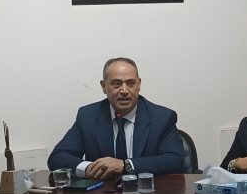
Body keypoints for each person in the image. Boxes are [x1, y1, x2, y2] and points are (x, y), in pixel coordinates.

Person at [48, 58, 184, 179]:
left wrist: (126, 165)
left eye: (131, 83)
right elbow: (57, 157)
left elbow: (175, 160)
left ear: (139, 84)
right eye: (116, 83)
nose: (124, 90)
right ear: (104, 86)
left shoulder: (162, 117)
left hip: (146, 193)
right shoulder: (88, 116)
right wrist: (88, 169)